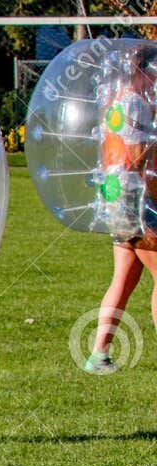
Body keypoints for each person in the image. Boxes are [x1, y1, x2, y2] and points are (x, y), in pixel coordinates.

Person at [83, 44, 157, 374]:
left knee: (124, 279)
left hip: (115, 196)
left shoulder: (116, 99)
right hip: (135, 198)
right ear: (142, 71)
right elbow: (138, 156)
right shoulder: (136, 103)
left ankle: (98, 355)